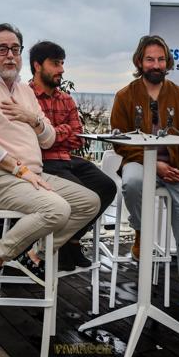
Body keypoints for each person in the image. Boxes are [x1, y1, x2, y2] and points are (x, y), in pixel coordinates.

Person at [0, 23, 100, 298]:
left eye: (15, 49)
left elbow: (47, 139)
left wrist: (31, 118)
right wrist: (20, 169)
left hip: (29, 176)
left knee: (88, 203)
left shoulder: (23, 91)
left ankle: (34, 257)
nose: (10, 55)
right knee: (57, 209)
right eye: (1, 49)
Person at [110, 35, 179, 323]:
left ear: (167, 62)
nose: (156, 64)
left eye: (161, 59)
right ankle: (141, 230)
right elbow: (119, 141)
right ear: (140, 61)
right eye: (150, 59)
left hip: (176, 168)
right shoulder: (124, 96)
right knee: (131, 183)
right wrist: (154, 166)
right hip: (140, 162)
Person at [29, 40, 116, 271]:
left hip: (65, 159)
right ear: (37, 66)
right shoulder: (26, 97)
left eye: (62, 64)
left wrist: (52, 132)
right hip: (42, 163)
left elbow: (78, 138)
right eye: (56, 64)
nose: (62, 70)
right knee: (83, 195)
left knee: (107, 186)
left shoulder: (65, 99)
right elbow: (33, 140)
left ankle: (73, 240)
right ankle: (58, 248)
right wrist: (62, 131)